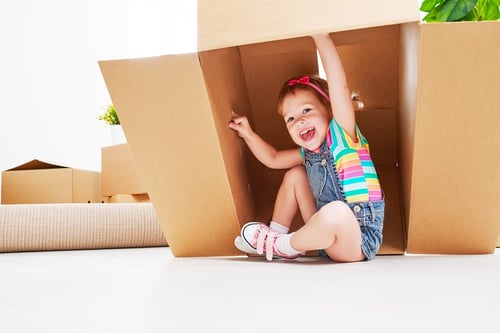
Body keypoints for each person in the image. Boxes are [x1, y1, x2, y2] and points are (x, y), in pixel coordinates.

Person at [228, 34, 384, 262]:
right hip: (322, 235)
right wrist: (248, 134)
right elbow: (272, 158)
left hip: (357, 242)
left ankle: (283, 245)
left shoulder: (343, 135)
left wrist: (321, 37)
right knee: (295, 175)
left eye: (306, 111)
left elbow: (339, 84)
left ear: (330, 111)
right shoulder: (307, 154)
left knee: (338, 211)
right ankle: (275, 236)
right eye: (290, 119)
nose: (299, 121)